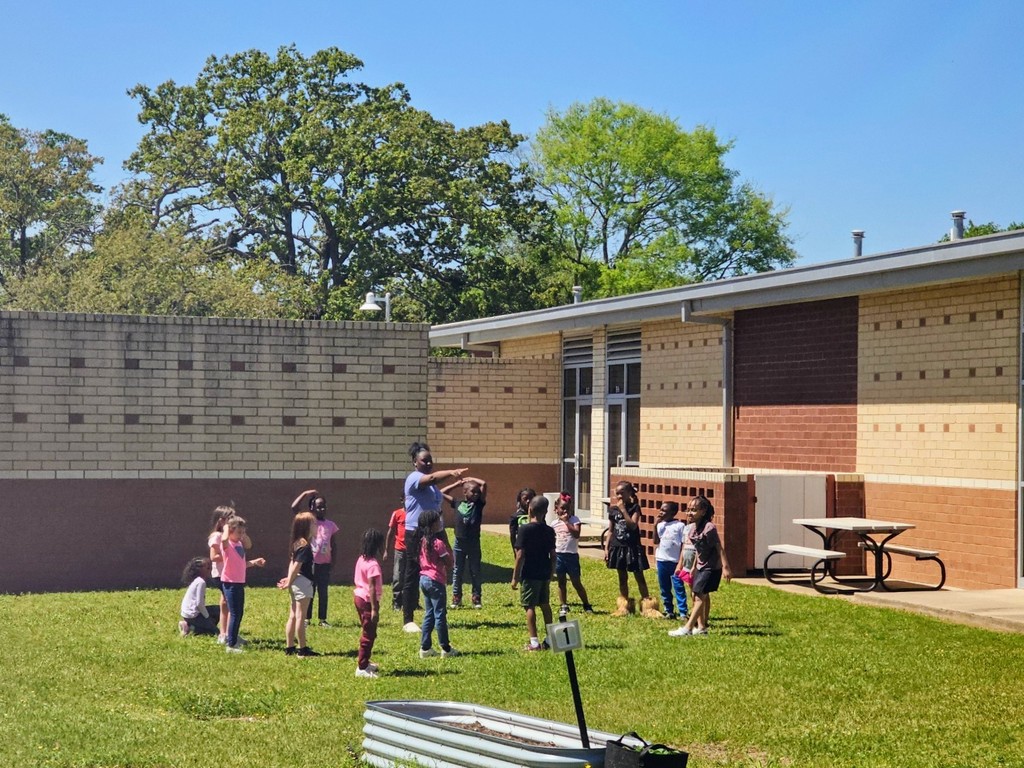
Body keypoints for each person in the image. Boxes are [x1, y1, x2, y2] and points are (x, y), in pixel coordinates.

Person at [401, 441, 468, 632]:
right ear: (415, 462)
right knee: (413, 572)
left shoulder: (432, 489)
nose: (429, 463)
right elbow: (431, 478)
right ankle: (408, 620)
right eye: (424, 460)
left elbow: (437, 510)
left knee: (435, 571)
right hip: (416, 532)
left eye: (430, 460)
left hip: (435, 531)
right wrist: (451, 472)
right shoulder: (414, 478)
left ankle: (434, 612)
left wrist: (443, 537)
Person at [669, 496, 732, 637]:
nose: (689, 513)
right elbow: (698, 550)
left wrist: (725, 567)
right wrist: (693, 567)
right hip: (700, 566)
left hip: (711, 567)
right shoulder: (692, 529)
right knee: (695, 594)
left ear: (703, 512)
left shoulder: (709, 528)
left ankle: (688, 628)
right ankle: (701, 628)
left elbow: (719, 547)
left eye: (694, 510)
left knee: (699, 596)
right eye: (688, 510)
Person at [605, 481, 659, 617]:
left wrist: (623, 510)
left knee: (639, 576)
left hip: (632, 547)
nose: (619, 496)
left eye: (622, 493)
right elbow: (610, 531)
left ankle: (648, 606)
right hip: (618, 547)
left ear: (629, 493)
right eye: (617, 493)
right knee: (622, 577)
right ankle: (624, 606)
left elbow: (633, 525)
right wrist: (606, 548)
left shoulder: (635, 508)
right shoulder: (613, 510)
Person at [512, 496, 556, 651]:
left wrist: (515, 577)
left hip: (530, 573)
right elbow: (553, 555)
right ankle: (550, 639)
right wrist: (551, 572)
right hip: (544, 572)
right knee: (545, 604)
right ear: (546, 511)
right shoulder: (549, 531)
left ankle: (534, 642)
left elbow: (520, 555)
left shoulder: (524, 529)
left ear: (529, 509)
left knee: (529, 606)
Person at [291, 489, 338, 627]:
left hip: (324, 564)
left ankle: (323, 619)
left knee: (323, 592)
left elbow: (334, 544)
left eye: (324, 506)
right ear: (312, 508)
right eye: (318, 507)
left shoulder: (331, 525)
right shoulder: (309, 521)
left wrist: (333, 561)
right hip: (310, 563)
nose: (322, 509)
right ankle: (307, 618)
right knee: (310, 590)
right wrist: (305, 494)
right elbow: (294, 508)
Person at [219, 515, 266, 653]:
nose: (241, 535)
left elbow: (246, 551)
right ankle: (231, 645)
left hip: (239, 582)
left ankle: (233, 638)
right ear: (230, 531)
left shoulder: (239, 544)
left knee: (238, 613)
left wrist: (254, 562)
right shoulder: (227, 545)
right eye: (239, 532)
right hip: (230, 583)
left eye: (243, 532)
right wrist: (226, 527)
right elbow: (223, 539)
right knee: (235, 613)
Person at [417, 509, 459, 658]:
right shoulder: (438, 543)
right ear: (432, 524)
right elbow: (449, 563)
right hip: (436, 580)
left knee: (429, 613)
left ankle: (425, 647)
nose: (440, 523)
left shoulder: (422, 542)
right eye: (437, 521)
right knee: (440, 614)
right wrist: (450, 555)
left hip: (424, 579)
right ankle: (446, 648)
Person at [276, 511, 319, 656]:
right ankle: (302, 649)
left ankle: (290, 647)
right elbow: (296, 565)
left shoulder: (297, 543)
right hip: (303, 582)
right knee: (301, 616)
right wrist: (289, 580)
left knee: (293, 615)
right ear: (306, 526)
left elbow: (292, 562)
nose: (316, 526)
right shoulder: (304, 545)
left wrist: (289, 579)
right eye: (314, 523)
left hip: (296, 581)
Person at [441, 476, 487, 609]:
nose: (476, 494)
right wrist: (457, 484)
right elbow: (441, 493)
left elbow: (484, 483)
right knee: (457, 570)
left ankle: (476, 597)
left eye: (478, 492)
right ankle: (456, 597)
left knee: (475, 570)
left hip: (473, 542)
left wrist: (471, 478)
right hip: (459, 543)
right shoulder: (457, 503)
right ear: (465, 492)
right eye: (473, 491)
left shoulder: (479, 504)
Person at [551, 491, 593, 616]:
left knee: (576, 582)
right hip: (559, 555)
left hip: (571, 556)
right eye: (562, 508)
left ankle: (586, 604)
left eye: (567, 508)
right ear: (556, 509)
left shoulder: (575, 520)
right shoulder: (554, 524)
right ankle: (563, 604)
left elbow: (576, 534)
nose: (565, 511)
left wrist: (566, 523)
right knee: (561, 582)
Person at [353, 528, 385, 678]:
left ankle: (366, 661)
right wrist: (374, 609)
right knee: (369, 634)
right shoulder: (373, 565)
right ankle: (362, 667)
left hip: (358, 597)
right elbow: (372, 587)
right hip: (367, 600)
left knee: (369, 630)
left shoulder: (361, 559)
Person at [653, 501, 688, 620]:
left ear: (673, 513)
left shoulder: (679, 526)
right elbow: (655, 541)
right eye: (660, 509)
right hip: (661, 560)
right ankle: (669, 610)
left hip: (674, 562)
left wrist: (681, 561)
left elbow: (683, 543)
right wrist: (655, 525)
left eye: (664, 510)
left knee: (678, 587)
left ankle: (683, 612)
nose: (661, 512)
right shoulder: (660, 525)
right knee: (664, 587)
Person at [206, 505, 234, 643]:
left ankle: (226, 633)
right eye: (230, 518)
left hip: (229, 573)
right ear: (221, 520)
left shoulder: (228, 536)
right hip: (221, 574)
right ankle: (226, 634)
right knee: (229, 603)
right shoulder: (217, 536)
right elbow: (214, 556)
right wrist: (231, 556)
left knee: (225, 602)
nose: (233, 520)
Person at [179, 557, 220, 636]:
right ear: (199, 570)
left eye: (209, 567)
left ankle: (190, 625)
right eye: (207, 567)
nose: (209, 569)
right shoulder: (201, 582)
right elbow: (199, 604)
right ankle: (190, 627)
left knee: (218, 609)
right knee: (216, 632)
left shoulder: (197, 580)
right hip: (193, 615)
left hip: (187, 614)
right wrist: (207, 617)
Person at [383, 497, 407, 610]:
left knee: (412, 576)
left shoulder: (415, 513)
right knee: (398, 575)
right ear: (402, 500)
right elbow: (391, 532)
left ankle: (413, 601)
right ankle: (397, 601)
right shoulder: (397, 513)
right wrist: (386, 550)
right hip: (400, 549)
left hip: (412, 550)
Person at [508, 488, 535, 555]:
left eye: (531, 499)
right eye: (525, 499)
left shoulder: (538, 515)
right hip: (522, 550)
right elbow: (513, 536)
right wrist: (516, 552)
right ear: (520, 500)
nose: (528, 501)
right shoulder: (515, 517)